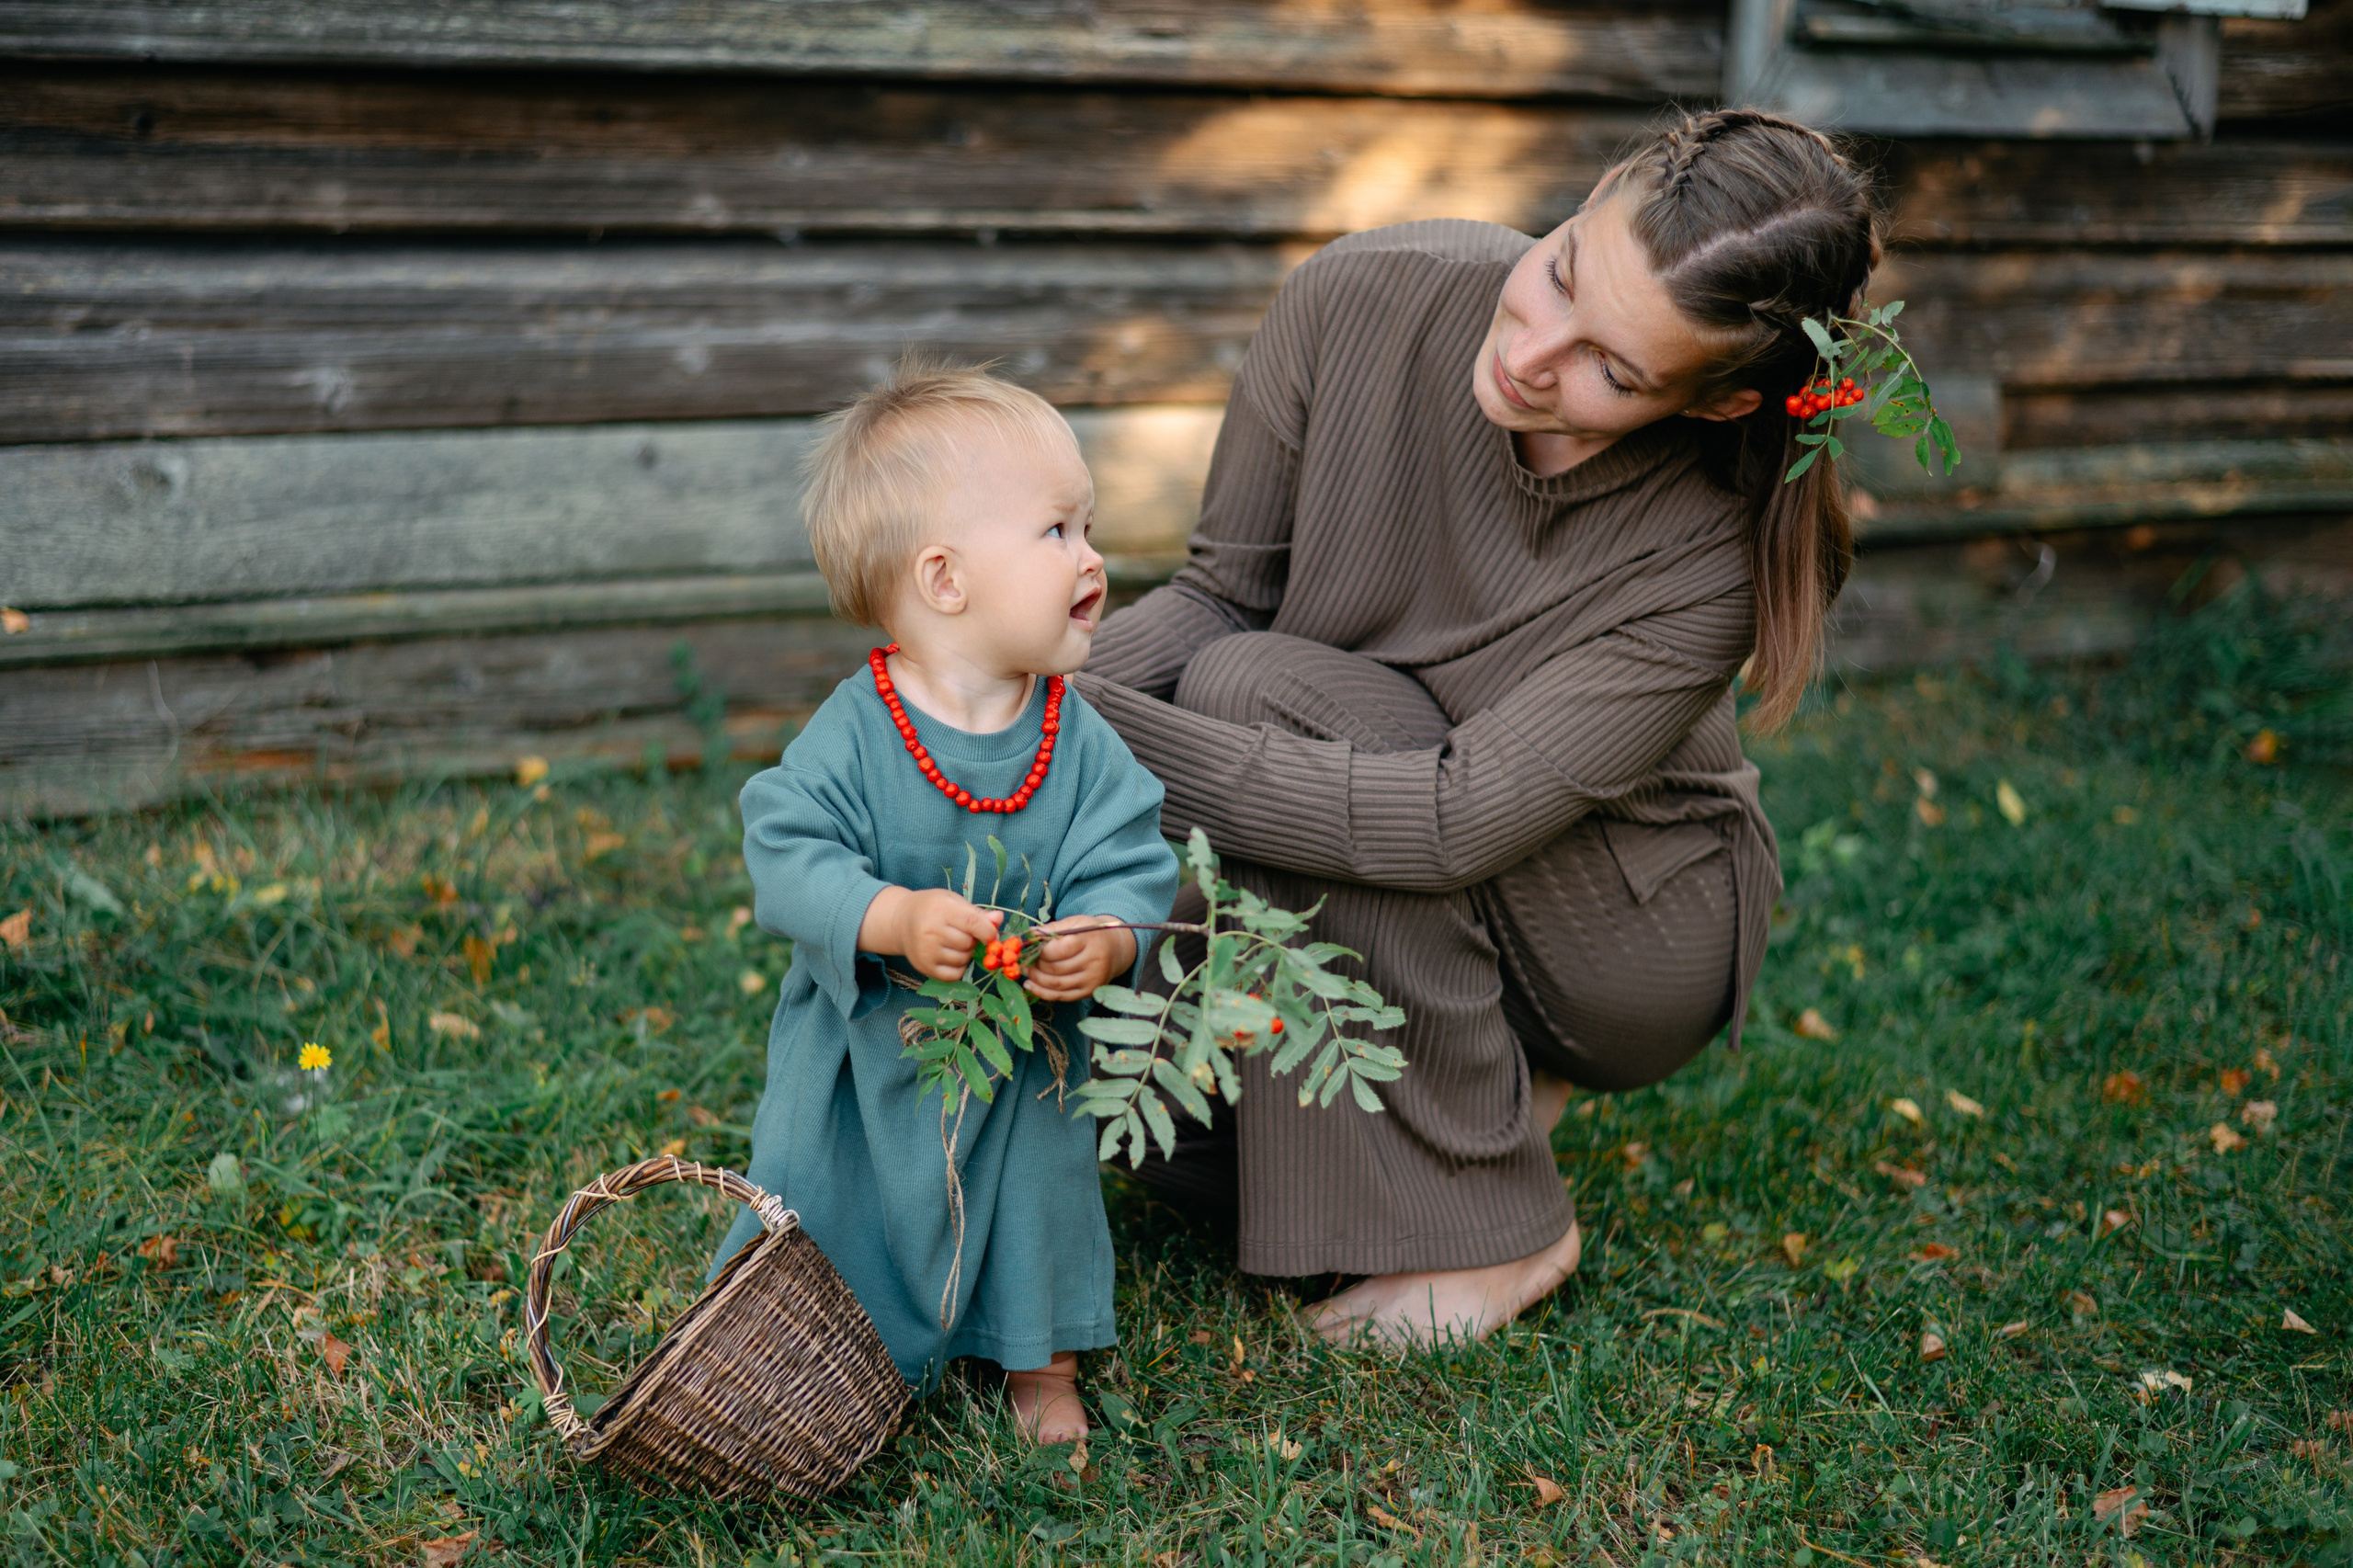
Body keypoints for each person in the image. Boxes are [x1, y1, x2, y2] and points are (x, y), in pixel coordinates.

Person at [1079, 108, 1879, 1346]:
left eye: (1614, 370)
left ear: (1720, 403)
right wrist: (984, 700)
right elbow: (1221, 593)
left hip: (1618, 926)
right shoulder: (1355, 298)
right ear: (1586, 198)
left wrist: (1070, 744)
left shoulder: (1712, 555)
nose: (1532, 354)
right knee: (1144, 1105)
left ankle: (1505, 1227)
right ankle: (1474, 1090)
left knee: (1251, 691)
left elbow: (1450, 820)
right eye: (1560, 271)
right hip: (1389, 793)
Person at [710, 367, 1178, 1442]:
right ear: (945, 577)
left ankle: (1040, 1362)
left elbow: (1128, 856)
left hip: (1021, 1056)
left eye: (1089, 527)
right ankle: (822, 1342)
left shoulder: (1076, 736)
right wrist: (889, 918)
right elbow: (783, 847)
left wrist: (1105, 936)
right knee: (831, 1194)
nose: (1092, 557)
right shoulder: (858, 729)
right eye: (1056, 529)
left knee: (1038, 1192)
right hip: (869, 1064)